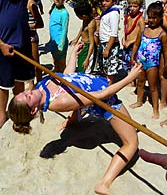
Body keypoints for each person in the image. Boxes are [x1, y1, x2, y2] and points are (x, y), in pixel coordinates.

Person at [8, 41, 142, 195]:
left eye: (23, 93)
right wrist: (129, 78)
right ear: (33, 111)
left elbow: (66, 78)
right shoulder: (60, 102)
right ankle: (104, 183)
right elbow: (102, 96)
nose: (27, 92)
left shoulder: (40, 88)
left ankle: (71, 121)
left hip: (89, 93)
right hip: (107, 103)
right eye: (27, 98)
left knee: (83, 108)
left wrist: (73, 56)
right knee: (131, 143)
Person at [0, 0, 35, 128]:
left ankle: (19, 111)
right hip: (4, 46)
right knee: (4, 84)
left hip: (23, 45)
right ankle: (2, 114)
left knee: (20, 81)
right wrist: (1, 44)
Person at [130, 1, 167, 119]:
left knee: (153, 87)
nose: (151, 20)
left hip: (153, 64)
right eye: (149, 17)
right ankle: (139, 101)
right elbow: (136, 44)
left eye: (154, 18)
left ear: (161, 18)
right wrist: (133, 56)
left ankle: (155, 109)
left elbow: (166, 52)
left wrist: (166, 64)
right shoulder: (144, 30)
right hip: (141, 61)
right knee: (140, 83)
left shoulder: (162, 34)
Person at [97, 0, 121, 85]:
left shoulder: (114, 13)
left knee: (110, 70)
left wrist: (107, 49)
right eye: (103, 1)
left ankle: (109, 88)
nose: (104, 3)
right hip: (104, 43)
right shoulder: (106, 12)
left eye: (107, 1)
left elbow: (113, 34)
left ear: (113, 1)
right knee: (104, 67)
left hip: (110, 44)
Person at [70, 0, 96, 73]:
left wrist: (87, 59)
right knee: (80, 66)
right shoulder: (86, 20)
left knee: (85, 69)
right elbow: (82, 28)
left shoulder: (91, 25)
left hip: (88, 47)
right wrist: (77, 38)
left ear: (84, 16)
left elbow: (92, 43)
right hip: (83, 44)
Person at [122, 0, 144, 74]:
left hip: (134, 47)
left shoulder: (140, 19)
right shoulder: (128, 17)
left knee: (133, 67)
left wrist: (132, 41)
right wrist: (124, 39)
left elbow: (142, 33)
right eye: (130, 6)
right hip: (126, 46)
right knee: (126, 67)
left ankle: (132, 84)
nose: (132, 8)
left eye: (135, 6)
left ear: (140, 6)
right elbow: (126, 30)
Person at [49, 0, 69, 73]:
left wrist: (61, 45)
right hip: (53, 41)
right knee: (55, 63)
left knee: (62, 65)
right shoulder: (54, 8)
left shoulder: (64, 13)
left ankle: (65, 82)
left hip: (60, 42)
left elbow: (64, 30)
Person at [27, 0, 44, 88]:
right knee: (27, 62)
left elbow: (40, 24)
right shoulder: (22, 2)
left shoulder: (31, 4)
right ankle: (31, 84)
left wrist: (28, 26)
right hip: (24, 36)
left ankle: (40, 83)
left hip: (32, 37)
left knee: (35, 63)